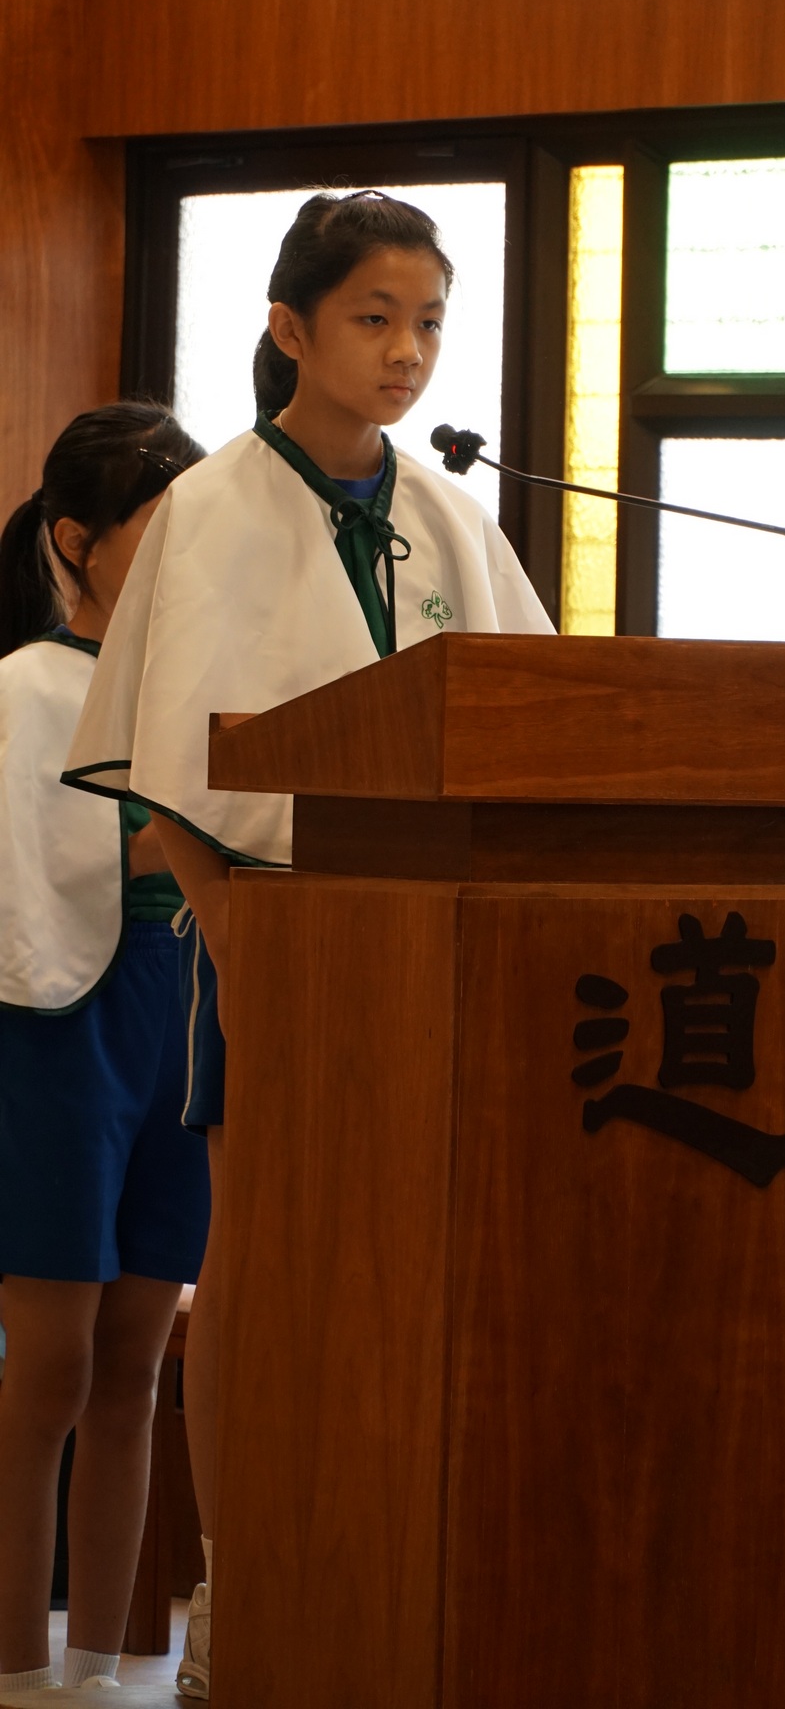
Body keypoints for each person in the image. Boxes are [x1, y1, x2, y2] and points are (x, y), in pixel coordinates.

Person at [62, 190, 555, 1699]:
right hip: (274, 950)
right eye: (374, 319)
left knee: (429, 1274)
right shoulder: (214, 505)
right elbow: (174, 781)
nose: (408, 354)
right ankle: (247, 1587)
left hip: (441, 963)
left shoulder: (448, 512)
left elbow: (533, 723)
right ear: (290, 327)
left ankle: (409, 1571)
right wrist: (250, 963)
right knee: (267, 1274)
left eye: (430, 325)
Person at [0, 404, 211, 1696]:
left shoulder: (193, 684)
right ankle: (15, 1669)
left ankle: (99, 1672)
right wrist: (174, 829)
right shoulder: (26, 687)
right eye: (156, 533)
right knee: (53, 1370)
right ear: (77, 543)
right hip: (56, 1032)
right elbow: (39, 871)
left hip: (176, 1014)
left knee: (137, 1366)